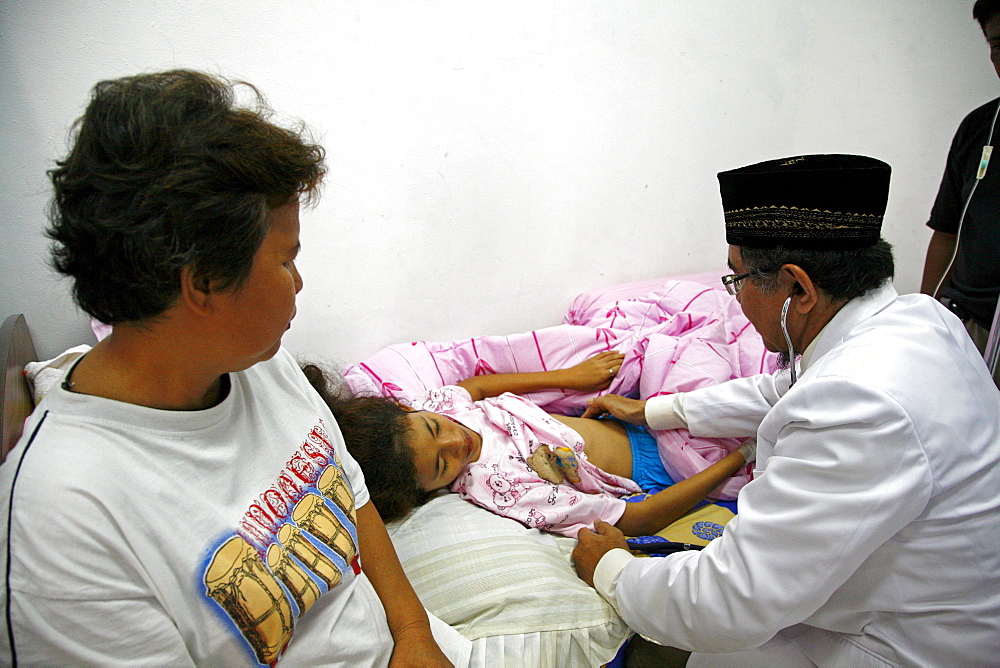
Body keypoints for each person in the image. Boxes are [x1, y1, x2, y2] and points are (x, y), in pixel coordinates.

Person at [0, 70, 456, 666]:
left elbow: (350, 491)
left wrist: (414, 633)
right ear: (206, 282)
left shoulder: (258, 365)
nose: (299, 282)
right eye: (286, 259)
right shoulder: (63, 521)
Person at [573, 154, 1000, 666]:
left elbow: (727, 602)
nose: (735, 300)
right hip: (921, 595)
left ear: (797, 287)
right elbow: (783, 390)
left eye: (737, 280)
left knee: (715, 653)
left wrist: (611, 568)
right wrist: (657, 411)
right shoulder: (920, 318)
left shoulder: (859, 403)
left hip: (908, 645)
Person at [305, 350, 755, 538]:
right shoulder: (503, 489)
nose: (455, 442)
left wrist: (570, 378)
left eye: (434, 427)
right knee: (755, 414)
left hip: (623, 413)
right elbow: (636, 519)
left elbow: (474, 387)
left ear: (411, 412)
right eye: (442, 465)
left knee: (693, 359)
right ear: (432, 490)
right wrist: (738, 458)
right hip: (662, 467)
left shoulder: (436, 407)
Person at [921, 0, 1000, 383]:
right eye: (998, 46)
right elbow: (946, 232)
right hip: (969, 324)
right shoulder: (979, 128)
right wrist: (923, 315)